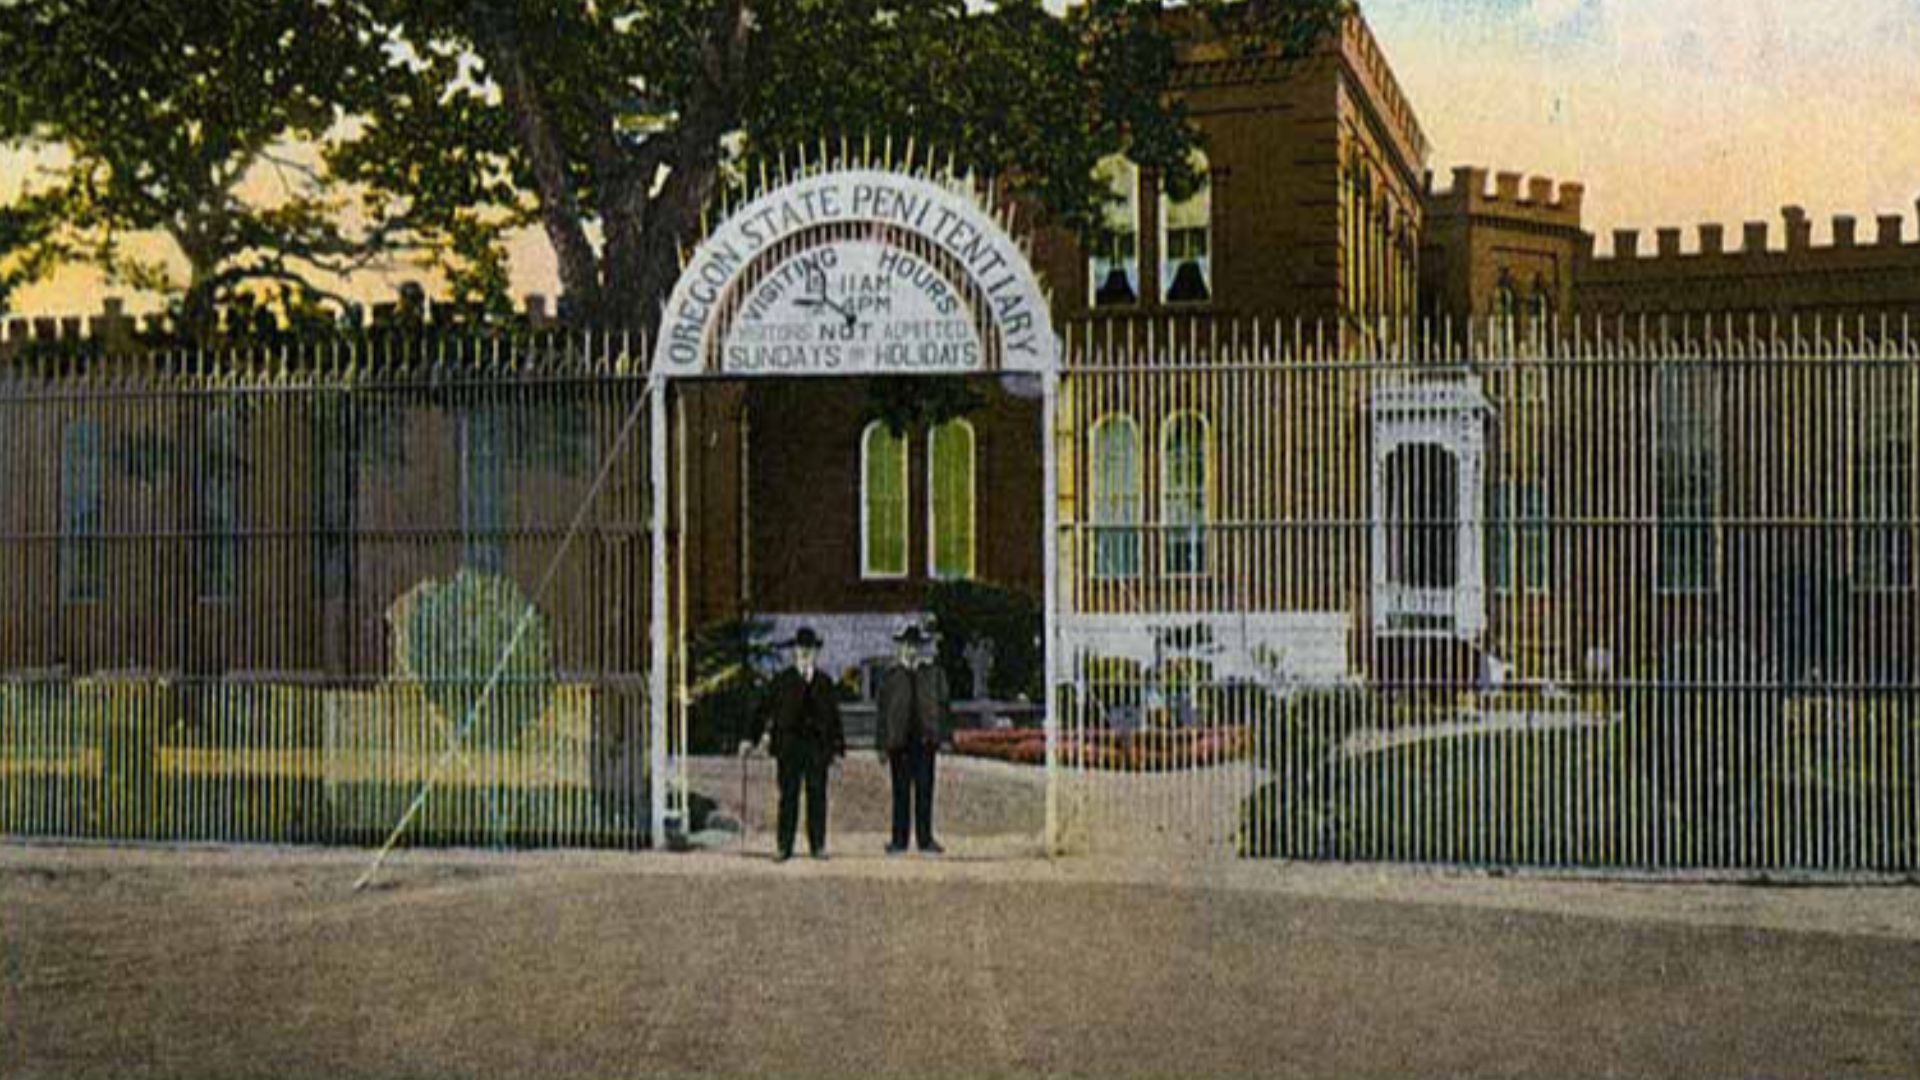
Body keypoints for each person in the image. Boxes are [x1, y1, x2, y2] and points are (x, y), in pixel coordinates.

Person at [739, 627, 845, 861]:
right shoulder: (782, 681)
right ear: (794, 651)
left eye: (809, 649)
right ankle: (784, 846)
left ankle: (818, 845)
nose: (805, 653)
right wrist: (750, 738)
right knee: (788, 796)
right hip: (789, 747)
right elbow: (761, 710)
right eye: (800, 648)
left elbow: (833, 717)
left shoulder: (824, 682)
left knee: (817, 796)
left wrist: (837, 748)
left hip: (816, 748)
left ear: (816, 652)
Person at [876, 624, 948, 855]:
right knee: (900, 792)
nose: (911, 650)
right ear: (900, 648)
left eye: (915, 646)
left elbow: (943, 706)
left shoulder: (933, 674)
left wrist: (943, 736)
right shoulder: (892, 676)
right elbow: (883, 712)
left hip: (925, 741)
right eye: (907, 645)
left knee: (925, 791)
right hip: (900, 743)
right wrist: (882, 745)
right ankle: (899, 841)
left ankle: (925, 840)